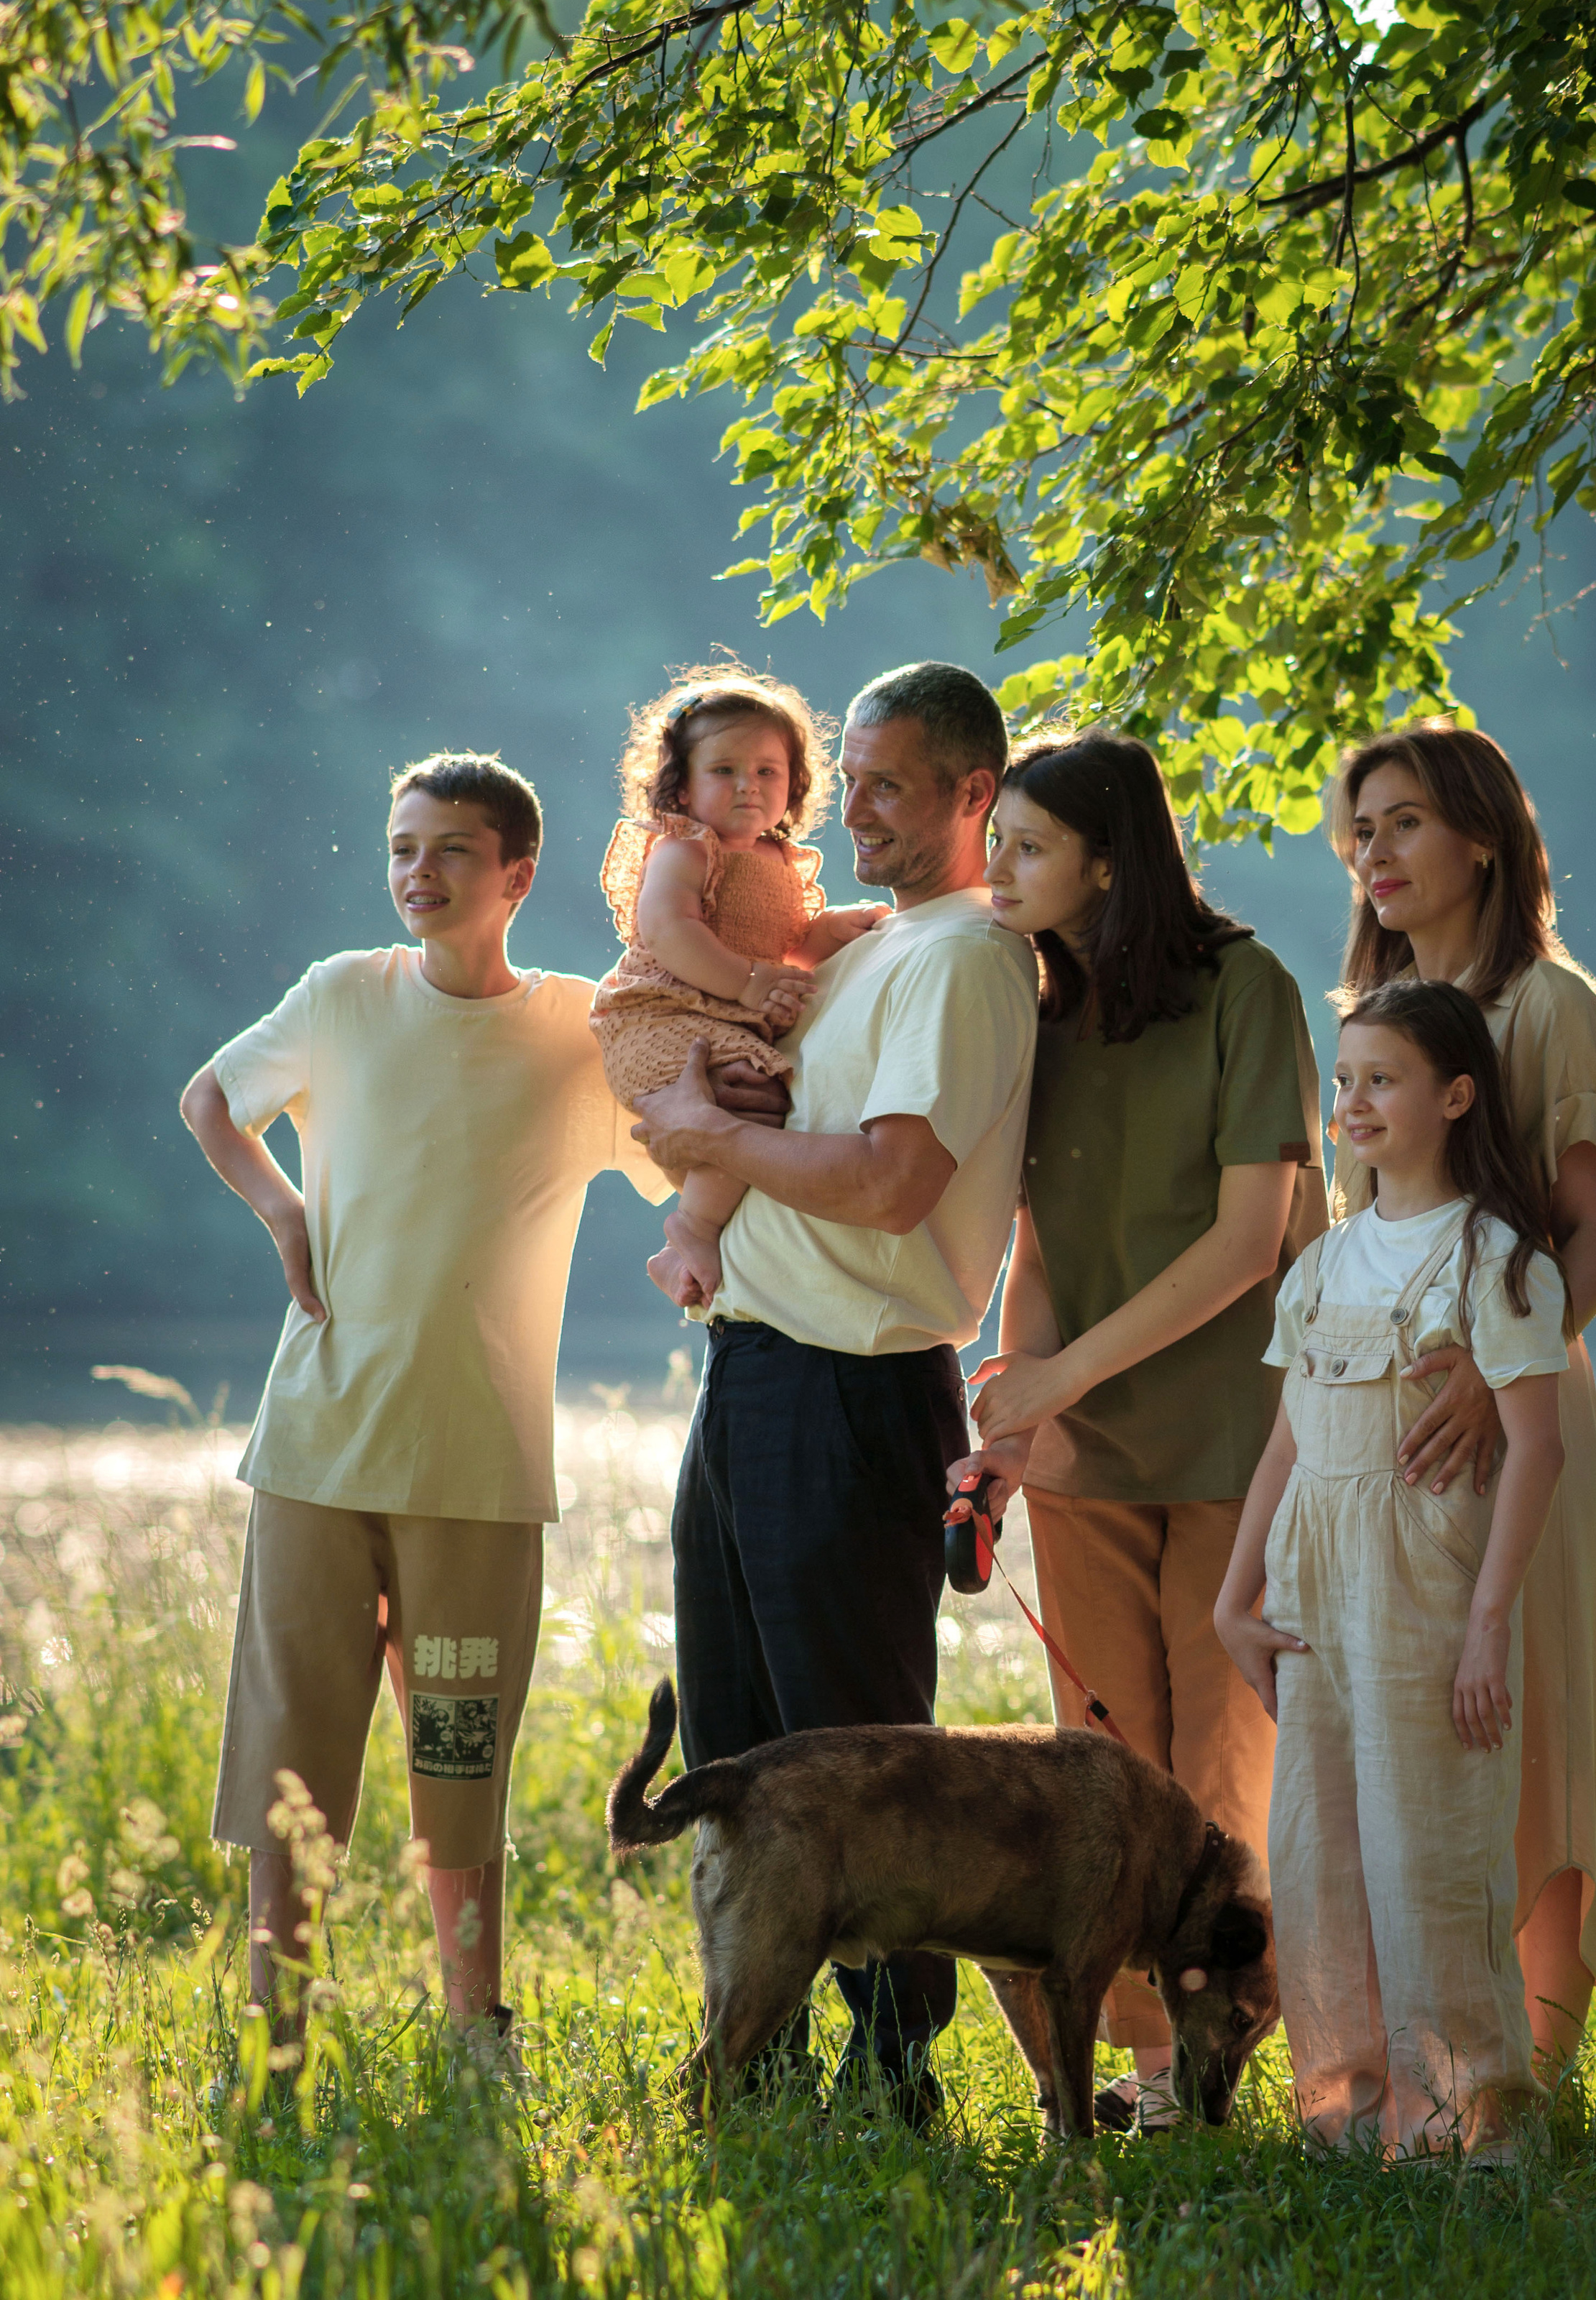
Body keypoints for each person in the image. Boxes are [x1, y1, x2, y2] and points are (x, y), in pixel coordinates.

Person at [629, 661, 1039, 2125]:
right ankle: (758, 2064)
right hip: (750, 1364)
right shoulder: (866, 951)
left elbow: (888, 1181)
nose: (847, 806)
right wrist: (716, 1122)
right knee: (739, 1747)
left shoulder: (966, 959)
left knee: (860, 1755)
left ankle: (895, 2070)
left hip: (856, 1387)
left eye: (885, 782)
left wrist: (706, 1140)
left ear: (971, 793)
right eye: (846, 776)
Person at [177, 752, 622, 2071]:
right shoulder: (340, 996)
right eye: (399, 849)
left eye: (449, 853)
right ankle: (279, 2025)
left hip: (481, 1468)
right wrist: (283, 1210)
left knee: (458, 1768)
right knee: (291, 1765)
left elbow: (688, 1156)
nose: (416, 876)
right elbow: (211, 1099)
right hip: (317, 1447)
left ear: (516, 876)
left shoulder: (579, 1028)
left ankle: (473, 2026)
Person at [944, 727, 1327, 2133]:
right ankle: (1153, 2071)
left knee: (1219, 1771)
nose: (999, 867)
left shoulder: (1246, 990)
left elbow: (1247, 1242)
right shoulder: (1036, 1007)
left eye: (1027, 846)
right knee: (1104, 1767)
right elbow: (1040, 1237)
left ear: (1107, 862)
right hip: (1085, 1462)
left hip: (1242, 1441)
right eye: (998, 842)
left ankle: (1241, 2050)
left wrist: (1060, 1378)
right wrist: (1016, 1399)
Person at [1216, 978, 1570, 2163]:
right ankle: (1352, 2113)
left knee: (1428, 1849)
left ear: (1451, 1096)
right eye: (1344, 1080)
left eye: (1382, 1079)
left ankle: (1477, 2117)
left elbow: (1535, 1449)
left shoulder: (1499, 1261)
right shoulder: (1319, 1265)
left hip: (1423, 1586)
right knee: (1320, 1851)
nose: (1352, 1101)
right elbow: (1286, 1440)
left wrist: (1485, 1627)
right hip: (1311, 1586)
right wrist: (1233, 1595)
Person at [1327, 720, 1596, 2078]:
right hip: (1378, 1438)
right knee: (1404, 1733)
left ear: (1480, 840)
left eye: (1399, 822)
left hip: (1513, 1426)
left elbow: (1590, 1235)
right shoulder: (1368, 1023)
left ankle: (1534, 2081)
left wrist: (1490, 1385)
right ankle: (1425, 2060)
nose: (1369, 851)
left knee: (1524, 1723)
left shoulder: (1549, 1006)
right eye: (1359, 826)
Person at [589, 667, 889, 1307]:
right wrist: (750, 985)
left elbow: (788, 941)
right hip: (657, 1016)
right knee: (752, 1101)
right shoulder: (687, 850)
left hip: (717, 1019)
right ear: (682, 785)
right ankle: (689, 1232)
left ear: (795, 783)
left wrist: (836, 929)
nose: (747, 786)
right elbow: (670, 931)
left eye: (766, 771)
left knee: (756, 1104)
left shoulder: (779, 862)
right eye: (723, 771)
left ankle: (692, 1236)